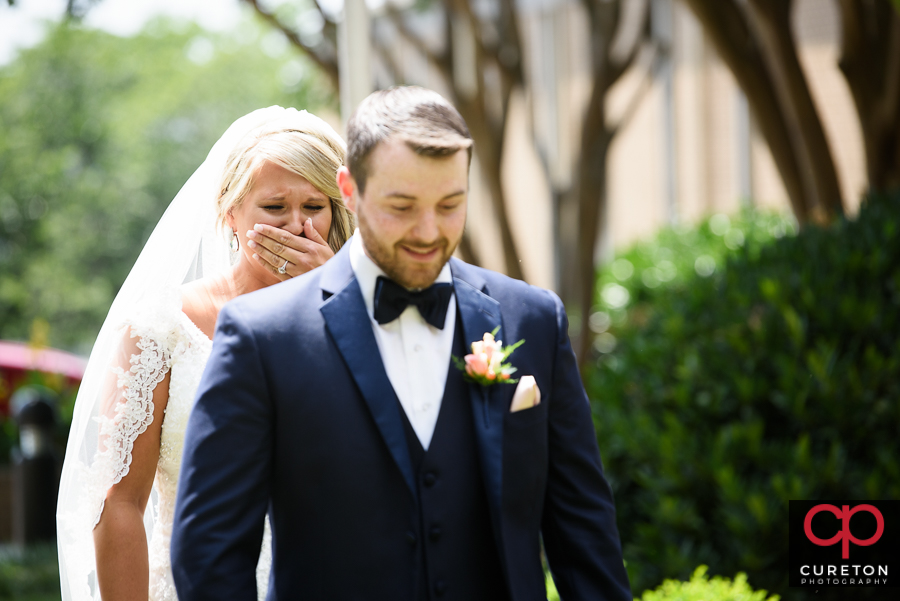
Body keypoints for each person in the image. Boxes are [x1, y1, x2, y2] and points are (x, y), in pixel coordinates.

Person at [171, 86, 632, 601]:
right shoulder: (261, 336)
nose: (428, 231)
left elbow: (584, 533)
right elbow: (210, 553)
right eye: (402, 206)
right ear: (350, 191)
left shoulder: (533, 320)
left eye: (450, 204)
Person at [56, 106, 354, 601]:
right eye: (275, 208)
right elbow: (121, 503)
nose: (298, 227)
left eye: (314, 208)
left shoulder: (361, 316)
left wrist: (341, 305)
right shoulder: (162, 326)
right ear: (229, 212)